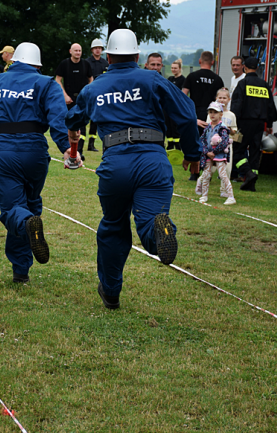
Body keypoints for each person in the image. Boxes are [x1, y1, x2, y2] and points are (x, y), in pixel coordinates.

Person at [65, 28, 202, 310]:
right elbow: (188, 114)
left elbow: (73, 119)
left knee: (114, 227)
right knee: (151, 217)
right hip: (153, 158)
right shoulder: (152, 78)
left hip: (116, 160)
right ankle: (158, 233)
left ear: (109, 56)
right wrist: (192, 153)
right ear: (138, 55)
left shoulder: (94, 88)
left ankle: (111, 291)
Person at [0, 42, 75, 283]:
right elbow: (59, 118)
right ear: (38, 65)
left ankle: (27, 226)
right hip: (36, 154)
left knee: (14, 210)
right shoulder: (47, 83)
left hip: (3, 153)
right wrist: (68, 150)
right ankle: (21, 272)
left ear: (13, 61)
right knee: (29, 204)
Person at [229, 56, 277, 191]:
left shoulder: (242, 84)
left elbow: (236, 106)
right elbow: (270, 108)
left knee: (238, 151)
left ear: (244, 67)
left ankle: (248, 174)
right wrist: (269, 125)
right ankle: (252, 184)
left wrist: (233, 125)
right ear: (257, 67)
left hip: (243, 124)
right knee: (255, 153)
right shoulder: (264, 85)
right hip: (259, 125)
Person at [182, 51, 225, 180]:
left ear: (200, 61)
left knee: (197, 142)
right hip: (211, 115)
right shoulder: (218, 79)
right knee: (210, 143)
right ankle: (208, 172)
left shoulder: (192, 76)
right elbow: (222, 100)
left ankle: (194, 174)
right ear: (212, 62)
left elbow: (183, 96)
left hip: (194, 114)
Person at [55, 43, 94, 157]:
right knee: (68, 125)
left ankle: (79, 151)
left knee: (81, 126)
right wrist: (65, 95)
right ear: (70, 51)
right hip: (68, 99)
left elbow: (91, 80)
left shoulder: (85, 64)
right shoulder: (64, 64)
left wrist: (87, 94)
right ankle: (68, 150)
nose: (78, 52)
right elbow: (58, 80)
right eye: (76, 50)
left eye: (80, 50)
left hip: (82, 100)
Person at [197, 102, 236, 205]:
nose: (212, 114)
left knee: (223, 175)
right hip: (208, 155)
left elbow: (224, 142)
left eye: (215, 112)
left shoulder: (223, 128)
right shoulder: (207, 128)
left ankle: (231, 196)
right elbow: (203, 140)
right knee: (206, 174)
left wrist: (214, 152)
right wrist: (206, 152)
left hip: (220, 155)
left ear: (221, 114)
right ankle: (204, 195)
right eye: (210, 112)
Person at [86, 39, 109, 152]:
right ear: (92, 50)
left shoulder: (105, 64)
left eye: (99, 48)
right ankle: (78, 144)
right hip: (89, 93)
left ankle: (91, 144)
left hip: (101, 95)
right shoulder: (86, 63)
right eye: (96, 48)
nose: (98, 50)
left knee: (96, 120)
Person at [214, 87, 238, 190]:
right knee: (210, 168)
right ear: (216, 98)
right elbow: (208, 127)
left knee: (227, 168)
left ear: (229, 99)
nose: (222, 100)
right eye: (220, 97)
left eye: (224, 98)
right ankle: (202, 184)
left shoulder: (231, 115)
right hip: (214, 145)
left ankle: (224, 189)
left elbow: (234, 131)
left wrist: (230, 130)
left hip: (227, 145)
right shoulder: (213, 112)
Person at [166, 60, 186, 150]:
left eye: (175, 68)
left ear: (180, 69)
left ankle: (178, 146)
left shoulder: (183, 80)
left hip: (177, 107)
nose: (173, 69)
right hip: (168, 106)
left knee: (175, 127)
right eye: (172, 68)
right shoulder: (170, 79)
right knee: (168, 126)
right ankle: (170, 144)